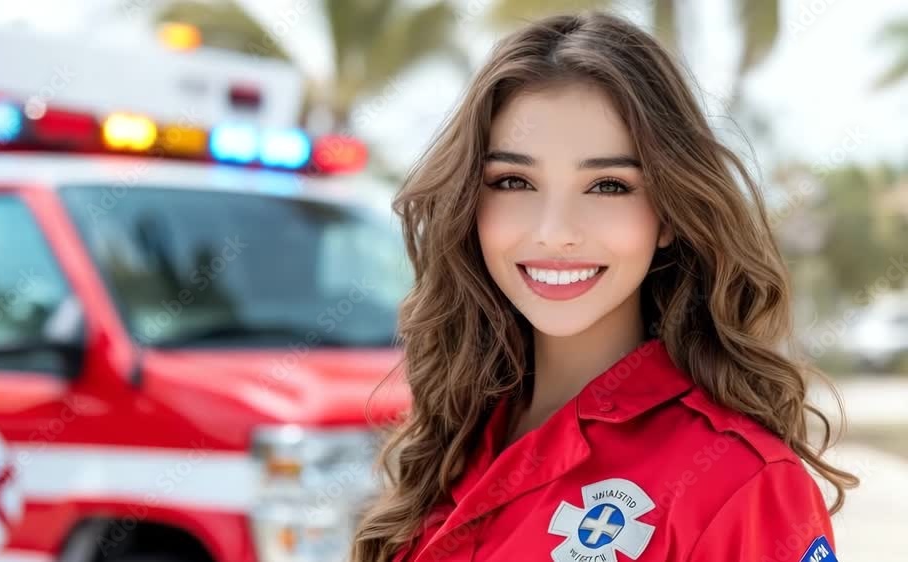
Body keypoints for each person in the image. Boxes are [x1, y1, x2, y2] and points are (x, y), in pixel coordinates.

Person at [351, 11, 858, 562]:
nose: (555, 232)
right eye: (514, 181)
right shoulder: (454, 438)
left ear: (668, 215)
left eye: (609, 185)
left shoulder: (743, 484)